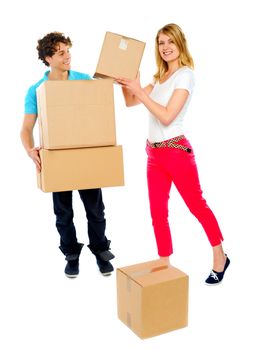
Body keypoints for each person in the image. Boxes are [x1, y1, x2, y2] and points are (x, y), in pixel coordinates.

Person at [116, 23, 230, 285]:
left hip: (176, 151)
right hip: (153, 154)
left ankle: (220, 256)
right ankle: (164, 263)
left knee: (196, 206)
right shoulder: (159, 78)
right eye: (160, 42)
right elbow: (131, 102)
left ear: (180, 44)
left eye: (170, 42)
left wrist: (138, 89)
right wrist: (126, 82)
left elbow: (167, 116)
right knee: (157, 211)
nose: (165, 47)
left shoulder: (185, 75)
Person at [20, 32, 115, 278]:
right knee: (63, 213)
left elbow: (102, 105)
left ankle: (100, 252)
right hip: (58, 158)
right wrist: (31, 150)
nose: (67, 56)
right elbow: (26, 129)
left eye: (68, 51)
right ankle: (71, 255)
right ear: (48, 58)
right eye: (60, 52)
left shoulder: (83, 80)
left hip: (85, 155)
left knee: (95, 210)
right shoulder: (37, 90)